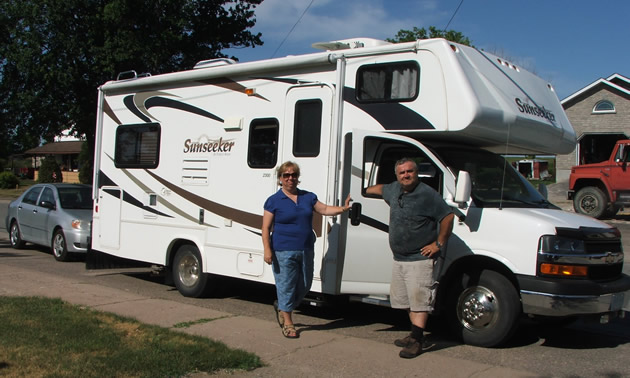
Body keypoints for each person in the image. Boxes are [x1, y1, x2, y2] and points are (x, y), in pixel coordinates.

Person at [366, 157, 454, 358]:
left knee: (420, 301)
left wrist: (438, 244)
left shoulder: (427, 194)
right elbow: (380, 189)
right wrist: (361, 190)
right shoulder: (394, 189)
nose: (406, 175)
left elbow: (448, 217)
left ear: (416, 173)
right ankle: (415, 333)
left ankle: (417, 340)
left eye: (410, 171)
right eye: (402, 172)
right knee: (405, 301)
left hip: (419, 259)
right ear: (397, 175)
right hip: (399, 258)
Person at [262, 161, 351, 339]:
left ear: (297, 177)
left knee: (305, 284)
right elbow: (265, 228)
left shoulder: (308, 197)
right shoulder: (273, 201)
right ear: (280, 179)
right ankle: (287, 321)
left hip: (306, 248)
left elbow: (324, 209)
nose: (290, 178)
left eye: (293, 175)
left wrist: (343, 208)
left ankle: (282, 306)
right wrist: (267, 250)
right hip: (283, 250)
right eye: (286, 175)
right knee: (286, 285)